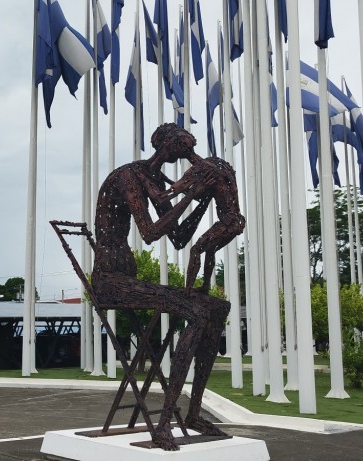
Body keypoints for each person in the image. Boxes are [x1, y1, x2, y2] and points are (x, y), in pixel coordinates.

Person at [90, 123, 239, 450]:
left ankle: (194, 413)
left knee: (218, 308)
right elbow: (150, 232)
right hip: (110, 280)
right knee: (198, 314)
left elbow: (179, 237)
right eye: (185, 151)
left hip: (126, 276)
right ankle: (163, 424)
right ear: (169, 146)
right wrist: (190, 196)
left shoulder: (155, 180)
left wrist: (204, 200)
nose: (190, 157)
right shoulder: (129, 175)